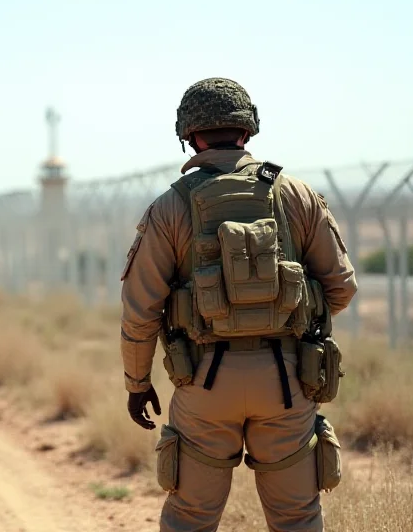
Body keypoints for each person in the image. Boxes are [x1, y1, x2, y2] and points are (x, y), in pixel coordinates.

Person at [120, 78, 357, 532]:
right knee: (297, 519)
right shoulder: (296, 194)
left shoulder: (170, 207)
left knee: (190, 518)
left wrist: (137, 382)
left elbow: (140, 310)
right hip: (288, 381)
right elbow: (342, 287)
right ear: (248, 130)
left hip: (204, 382)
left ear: (189, 135)